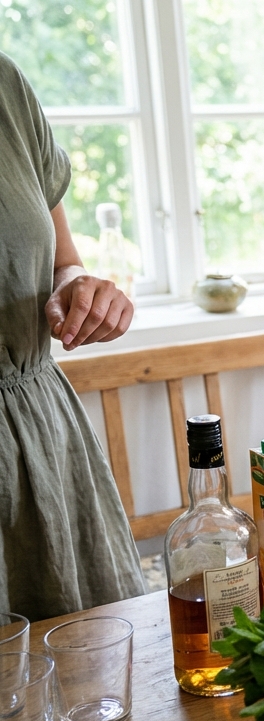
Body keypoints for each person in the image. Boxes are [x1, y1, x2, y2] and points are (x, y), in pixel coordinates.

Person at [0, 52, 147, 621]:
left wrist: (79, 288)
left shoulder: (7, 84)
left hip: (44, 447)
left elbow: (63, 262)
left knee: (93, 686)